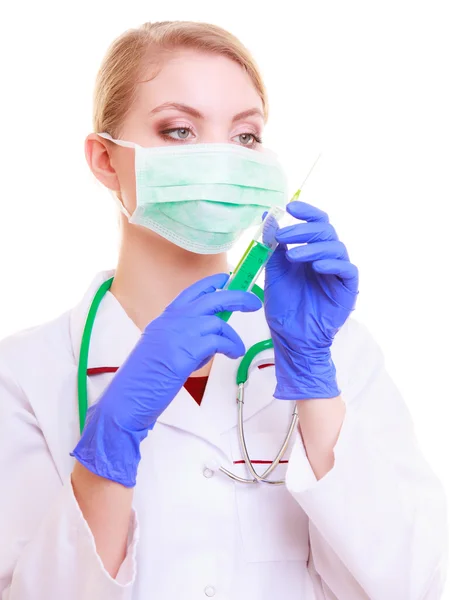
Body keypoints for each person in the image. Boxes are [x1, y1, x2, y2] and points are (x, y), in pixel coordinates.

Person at [0, 20, 446, 600]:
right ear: (107, 161)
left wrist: (312, 380)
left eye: (245, 136)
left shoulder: (337, 351)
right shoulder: (24, 374)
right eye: (180, 130)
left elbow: (412, 583)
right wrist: (110, 439)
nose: (220, 158)